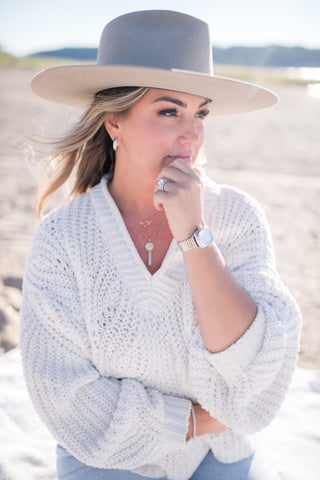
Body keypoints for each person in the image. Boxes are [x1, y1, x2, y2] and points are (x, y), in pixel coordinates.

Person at [20, 10, 301, 480]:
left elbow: (258, 366)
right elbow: (64, 395)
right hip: (105, 457)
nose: (191, 134)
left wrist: (194, 235)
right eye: (169, 110)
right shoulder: (62, 238)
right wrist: (197, 419)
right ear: (114, 122)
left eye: (200, 112)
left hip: (223, 456)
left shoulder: (237, 217)